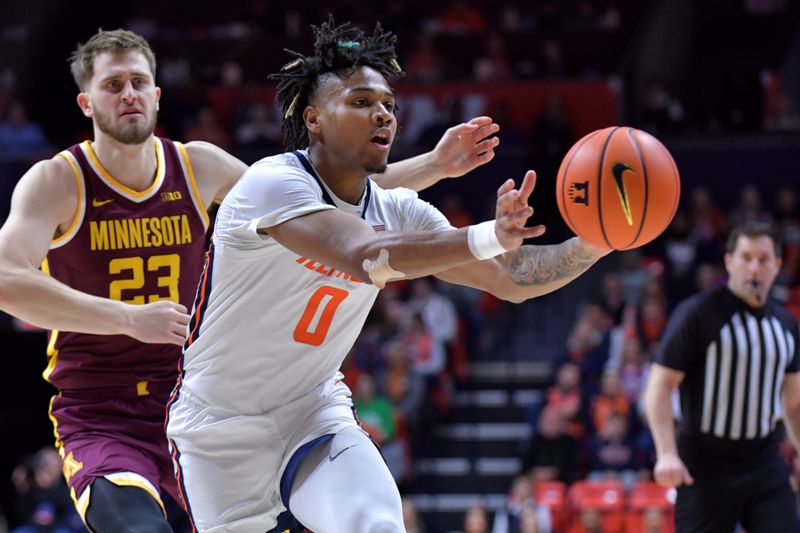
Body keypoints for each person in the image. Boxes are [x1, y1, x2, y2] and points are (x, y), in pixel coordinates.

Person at [0, 28, 507, 533]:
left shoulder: (196, 165)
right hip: (104, 410)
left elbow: (311, 200)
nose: (128, 94)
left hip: (205, 397)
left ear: (157, 94)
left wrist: (435, 165)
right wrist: (126, 317)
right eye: (114, 85)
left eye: (138, 82)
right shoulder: (57, 181)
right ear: (86, 103)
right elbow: (6, 279)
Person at [165, 18, 608, 533]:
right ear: (314, 119)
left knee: (376, 525)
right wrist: (486, 231)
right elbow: (363, 253)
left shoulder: (400, 210)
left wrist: (598, 241)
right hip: (218, 429)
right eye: (360, 102)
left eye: (389, 106)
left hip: (312, 410)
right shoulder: (272, 183)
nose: (382, 114)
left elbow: (510, 277)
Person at [644, 221, 800, 533]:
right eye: (745, 257)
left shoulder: (786, 324)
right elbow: (658, 388)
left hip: (764, 459)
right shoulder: (697, 314)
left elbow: (793, 403)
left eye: (763, 258)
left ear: (777, 266)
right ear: (730, 262)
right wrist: (666, 454)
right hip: (704, 461)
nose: (754, 267)